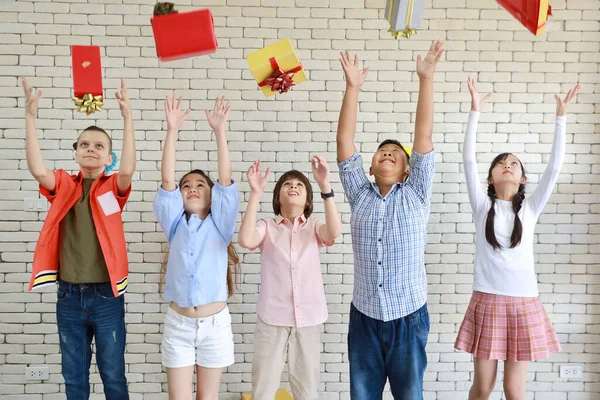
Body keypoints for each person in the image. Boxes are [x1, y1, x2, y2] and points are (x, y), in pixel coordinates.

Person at [454, 77, 580, 400]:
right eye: (500, 164)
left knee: (514, 390)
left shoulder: (530, 210)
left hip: (523, 304)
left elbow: (554, 168)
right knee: (482, 388)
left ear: (522, 178)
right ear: (491, 178)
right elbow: (468, 160)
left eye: (513, 164)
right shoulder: (482, 206)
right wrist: (474, 112)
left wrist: (560, 119)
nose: (506, 166)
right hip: (488, 300)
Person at [336, 41, 444, 400]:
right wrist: (352, 88)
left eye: (396, 153)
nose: (388, 152)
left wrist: (425, 79)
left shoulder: (416, 194)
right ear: (369, 167)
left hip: (407, 319)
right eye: (382, 150)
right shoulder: (359, 194)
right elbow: (344, 140)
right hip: (364, 319)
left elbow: (423, 136)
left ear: (407, 169)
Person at [24, 77, 136, 400]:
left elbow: (128, 170)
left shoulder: (113, 188)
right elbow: (37, 169)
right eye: (84, 145)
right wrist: (30, 119)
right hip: (69, 298)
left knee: (114, 377)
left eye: (99, 146)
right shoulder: (64, 185)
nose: (91, 149)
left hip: (107, 298)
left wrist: (128, 118)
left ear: (108, 157)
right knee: (74, 381)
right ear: (76, 153)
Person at [153, 95, 240, 399]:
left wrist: (219, 132)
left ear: (212, 194)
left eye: (200, 184)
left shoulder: (221, 225)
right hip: (179, 325)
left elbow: (226, 179)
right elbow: (167, 180)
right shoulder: (174, 225)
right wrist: (172, 130)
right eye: (186, 185)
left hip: (215, 325)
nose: (191, 188)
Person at [238, 157, 342, 400]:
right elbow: (246, 240)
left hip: (309, 320)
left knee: (307, 391)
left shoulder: (315, 226)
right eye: (287, 184)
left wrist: (325, 186)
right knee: (263, 389)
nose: (293, 186)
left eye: (299, 184)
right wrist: (255, 193)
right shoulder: (267, 226)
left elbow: (334, 231)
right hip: (272, 319)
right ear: (277, 198)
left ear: (307, 201)